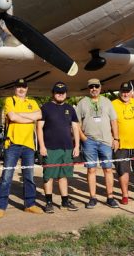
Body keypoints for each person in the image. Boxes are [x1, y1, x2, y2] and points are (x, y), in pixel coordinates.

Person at [0, 79, 43, 218]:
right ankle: (1, 207)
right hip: (13, 144)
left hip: (29, 145)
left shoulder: (32, 102)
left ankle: (30, 205)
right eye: (18, 87)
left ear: (27, 89)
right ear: (15, 88)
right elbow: (12, 117)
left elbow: (39, 115)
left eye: (24, 87)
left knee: (29, 177)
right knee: (6, 177)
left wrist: (21, 116)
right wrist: (29, 118)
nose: (21, 89)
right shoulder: (10, 100)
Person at [75, 78, 120, 209]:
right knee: (91, 169)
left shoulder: (107, 102)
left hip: (106, 141)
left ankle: (110, 197)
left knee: (108, 169)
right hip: (89, 142)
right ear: (88, 88)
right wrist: (83, 138)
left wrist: (116, 139)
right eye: (91, 87)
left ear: (100, 87)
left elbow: (114, 121)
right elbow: (76, 122)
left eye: (96, 86)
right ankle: (92, 197)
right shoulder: (82, 103)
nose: (94, 89)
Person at [37, 82, 80, 213]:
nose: (60, 94)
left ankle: (65, 201)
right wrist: (42, 146)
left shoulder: (70, 109)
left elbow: (75, 128)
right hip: (50, 148)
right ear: (53, 93)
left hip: (67, 148)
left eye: (62, 92)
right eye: (57, 92)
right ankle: (49, 203)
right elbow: (39, 128)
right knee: (48, 176)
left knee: (63, 176)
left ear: (66, 94)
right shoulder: (45, 107)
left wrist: (77, 145)